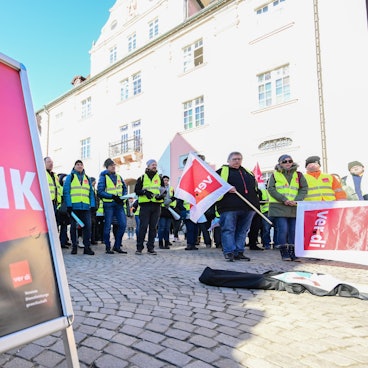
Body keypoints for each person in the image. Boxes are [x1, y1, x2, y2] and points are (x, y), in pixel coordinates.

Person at [216, 151, 260, 262]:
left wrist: (255, 206)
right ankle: (229, 252)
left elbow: (254, 190)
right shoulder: (220, 172)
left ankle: (239, 252)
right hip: (228, 207)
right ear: (228, 160)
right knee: (228, 229)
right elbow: (214, 188)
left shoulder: (248, 173)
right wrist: (226, 188)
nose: (237, 161)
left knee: (243, 231)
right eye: (234, 159)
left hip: (248, 207)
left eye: (239, 159)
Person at [268, 154, 308, 261]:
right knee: (283, 229)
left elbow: (304, 188)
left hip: (294, 206)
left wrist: (296, 200)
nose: (287, 163)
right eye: (284, 161)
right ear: (280, 163)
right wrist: (284, 199)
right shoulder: (274, 175)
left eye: (289, 161)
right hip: (279, 206)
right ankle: (284, 252)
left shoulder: (298, 175)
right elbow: (271, 189)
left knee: (293, 231)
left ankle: (293, 252)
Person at [63, 160, 95, 255]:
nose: (79, 166)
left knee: (88, 227)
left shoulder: (87, 178)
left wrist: (92, 205)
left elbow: (91, 193)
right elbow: (66, 191)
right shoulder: (70, 177)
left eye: (81, 164)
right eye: (77, 164)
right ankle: (74, 246)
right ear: (74, 166)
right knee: (73, 227)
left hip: (85, 207)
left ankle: (87, 247)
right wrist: (69, 205)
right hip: (74, 207)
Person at [134, 159, 166, 255]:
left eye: (155, 165)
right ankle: (139, 248)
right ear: (148, 166)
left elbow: (163, 191)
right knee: (143, 227)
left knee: (153, 228)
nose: (154, 166)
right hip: (145, 205)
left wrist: (161, 195)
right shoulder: (142, 178)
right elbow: (136, 190)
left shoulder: (159, 178)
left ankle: (150, 248)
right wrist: (144, 192)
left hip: (156, 205)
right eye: (152, 164)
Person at [97, 158, 128, 254]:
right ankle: (107, 246)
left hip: (119, 204)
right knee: (107, 227)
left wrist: (123, 198)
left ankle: (117, 246)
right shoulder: (103, 177)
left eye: (114, 165)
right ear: (107, 167)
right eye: (111, 165)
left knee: (123, 224)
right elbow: (100, 192)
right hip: (109, 204)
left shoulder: (119, 177)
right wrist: (112, 196)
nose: (114, 167)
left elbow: (124, 189)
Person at [157, 175, 176, 249]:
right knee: (162, 227)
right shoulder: (159, 188)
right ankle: (161, 242)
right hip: (162, 209)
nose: (166, 181)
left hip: (169, 209)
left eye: (167, 180)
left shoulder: (171, 188)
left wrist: (170, 200)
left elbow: (174, 197)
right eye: (164, 180)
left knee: (167, 228)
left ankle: (167, 242)